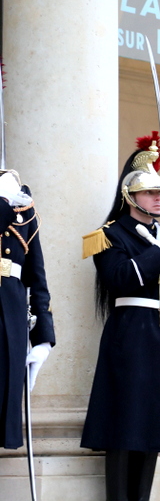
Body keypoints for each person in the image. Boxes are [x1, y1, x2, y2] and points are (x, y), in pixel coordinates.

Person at [81, 133, 160, 501]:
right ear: (131, 196)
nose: (159, 198)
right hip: (131, 339)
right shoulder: (110, 236)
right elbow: (120, 278)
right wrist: (158, 253)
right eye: (150, 192)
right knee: (124, 430)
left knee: (152, 433)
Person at [0, 170, 55, 449]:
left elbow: (37, 276)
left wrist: (43, 338)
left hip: (10, 323)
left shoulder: (22, 207)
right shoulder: (7, 200)